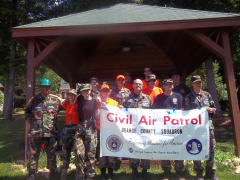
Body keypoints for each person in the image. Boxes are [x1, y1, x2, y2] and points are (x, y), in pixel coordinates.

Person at [25, 78, 61, 180]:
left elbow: (69, 103)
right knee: (33, 153)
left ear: (50, 88)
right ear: (40, 88)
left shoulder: (55, 101)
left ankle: (52, 173)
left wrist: (59, 97)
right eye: (43, 87)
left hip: (51, 133)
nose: (45, 89)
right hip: (36, 133)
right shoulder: (33, 100)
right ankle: (31, 173)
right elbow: (27, 114)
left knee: (52, 154)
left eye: (47, 87)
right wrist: (30, 129)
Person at [184, 75, 218, 180]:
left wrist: (212, 110)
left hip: (208, 127)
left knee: (211, 149)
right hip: (195, 129)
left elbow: (214, 108)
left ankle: (211, 172)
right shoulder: (189, 97)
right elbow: (185, 113)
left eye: (200, 82)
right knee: (196, 148)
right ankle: (198, 172)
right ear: (192, 84)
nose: (198, 84)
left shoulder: (207, 95)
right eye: (196, 82)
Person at [152, 79, 185, 180]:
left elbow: (183, 110)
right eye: (166, 84)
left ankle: (179, 171)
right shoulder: (159, 98)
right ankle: (166, 172)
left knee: (178, 148)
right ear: (163, 86)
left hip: (176, 129)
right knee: (165, 149)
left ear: (172, 86)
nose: (168, 86)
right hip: (163, 129)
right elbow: (154, 112)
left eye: (170, 84)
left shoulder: (178, 96)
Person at [125, 79, 152, 180]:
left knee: (145, 148)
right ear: (133, 86)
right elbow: (121, 111)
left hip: (145, 129)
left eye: (139, 84)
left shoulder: (148, 98)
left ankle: (145, 170)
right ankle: (134, 170)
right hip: (132, 129)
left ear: (142, 86)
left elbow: (153, 113)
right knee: (134, 148)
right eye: (136, 84)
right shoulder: (127, 99)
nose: (138, 85)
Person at [76, 84, 100, 180]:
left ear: (90, 90)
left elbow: (97, 115)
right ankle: (80, 175)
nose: (86, 92)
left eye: (88, 90)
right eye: (84, 90)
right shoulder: (79, 99)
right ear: (81, 92)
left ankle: (90, 175)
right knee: (79, 153)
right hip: (80, 130)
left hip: (91, 129)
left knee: (91, 154)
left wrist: (100, 105)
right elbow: (69, 97)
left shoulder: (95, 101)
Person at [97, 84, 119, 180]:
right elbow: (95, 116)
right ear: (100, 92)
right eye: (103, 91)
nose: (105, 93)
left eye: (106, 91)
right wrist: (100, 107)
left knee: (110, 152)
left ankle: (110, 174)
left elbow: (117, 117)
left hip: (110, 131)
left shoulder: (114, 103)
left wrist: (107, 108)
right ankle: (103, 173)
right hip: (100, 130)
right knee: (101, 153)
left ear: (109, 92)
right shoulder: (97, 102)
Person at [60, 89, 79, 180]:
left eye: (73, 95)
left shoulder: (78, 104)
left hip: (76, 128)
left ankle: (78, 171)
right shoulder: (66, 104)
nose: (71, 96)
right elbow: (58, 100)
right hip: (67, 128)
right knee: (66, 149)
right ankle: (64, 170)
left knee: (77, 150)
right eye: (69, 95)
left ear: (75, 96)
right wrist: (63, 99)